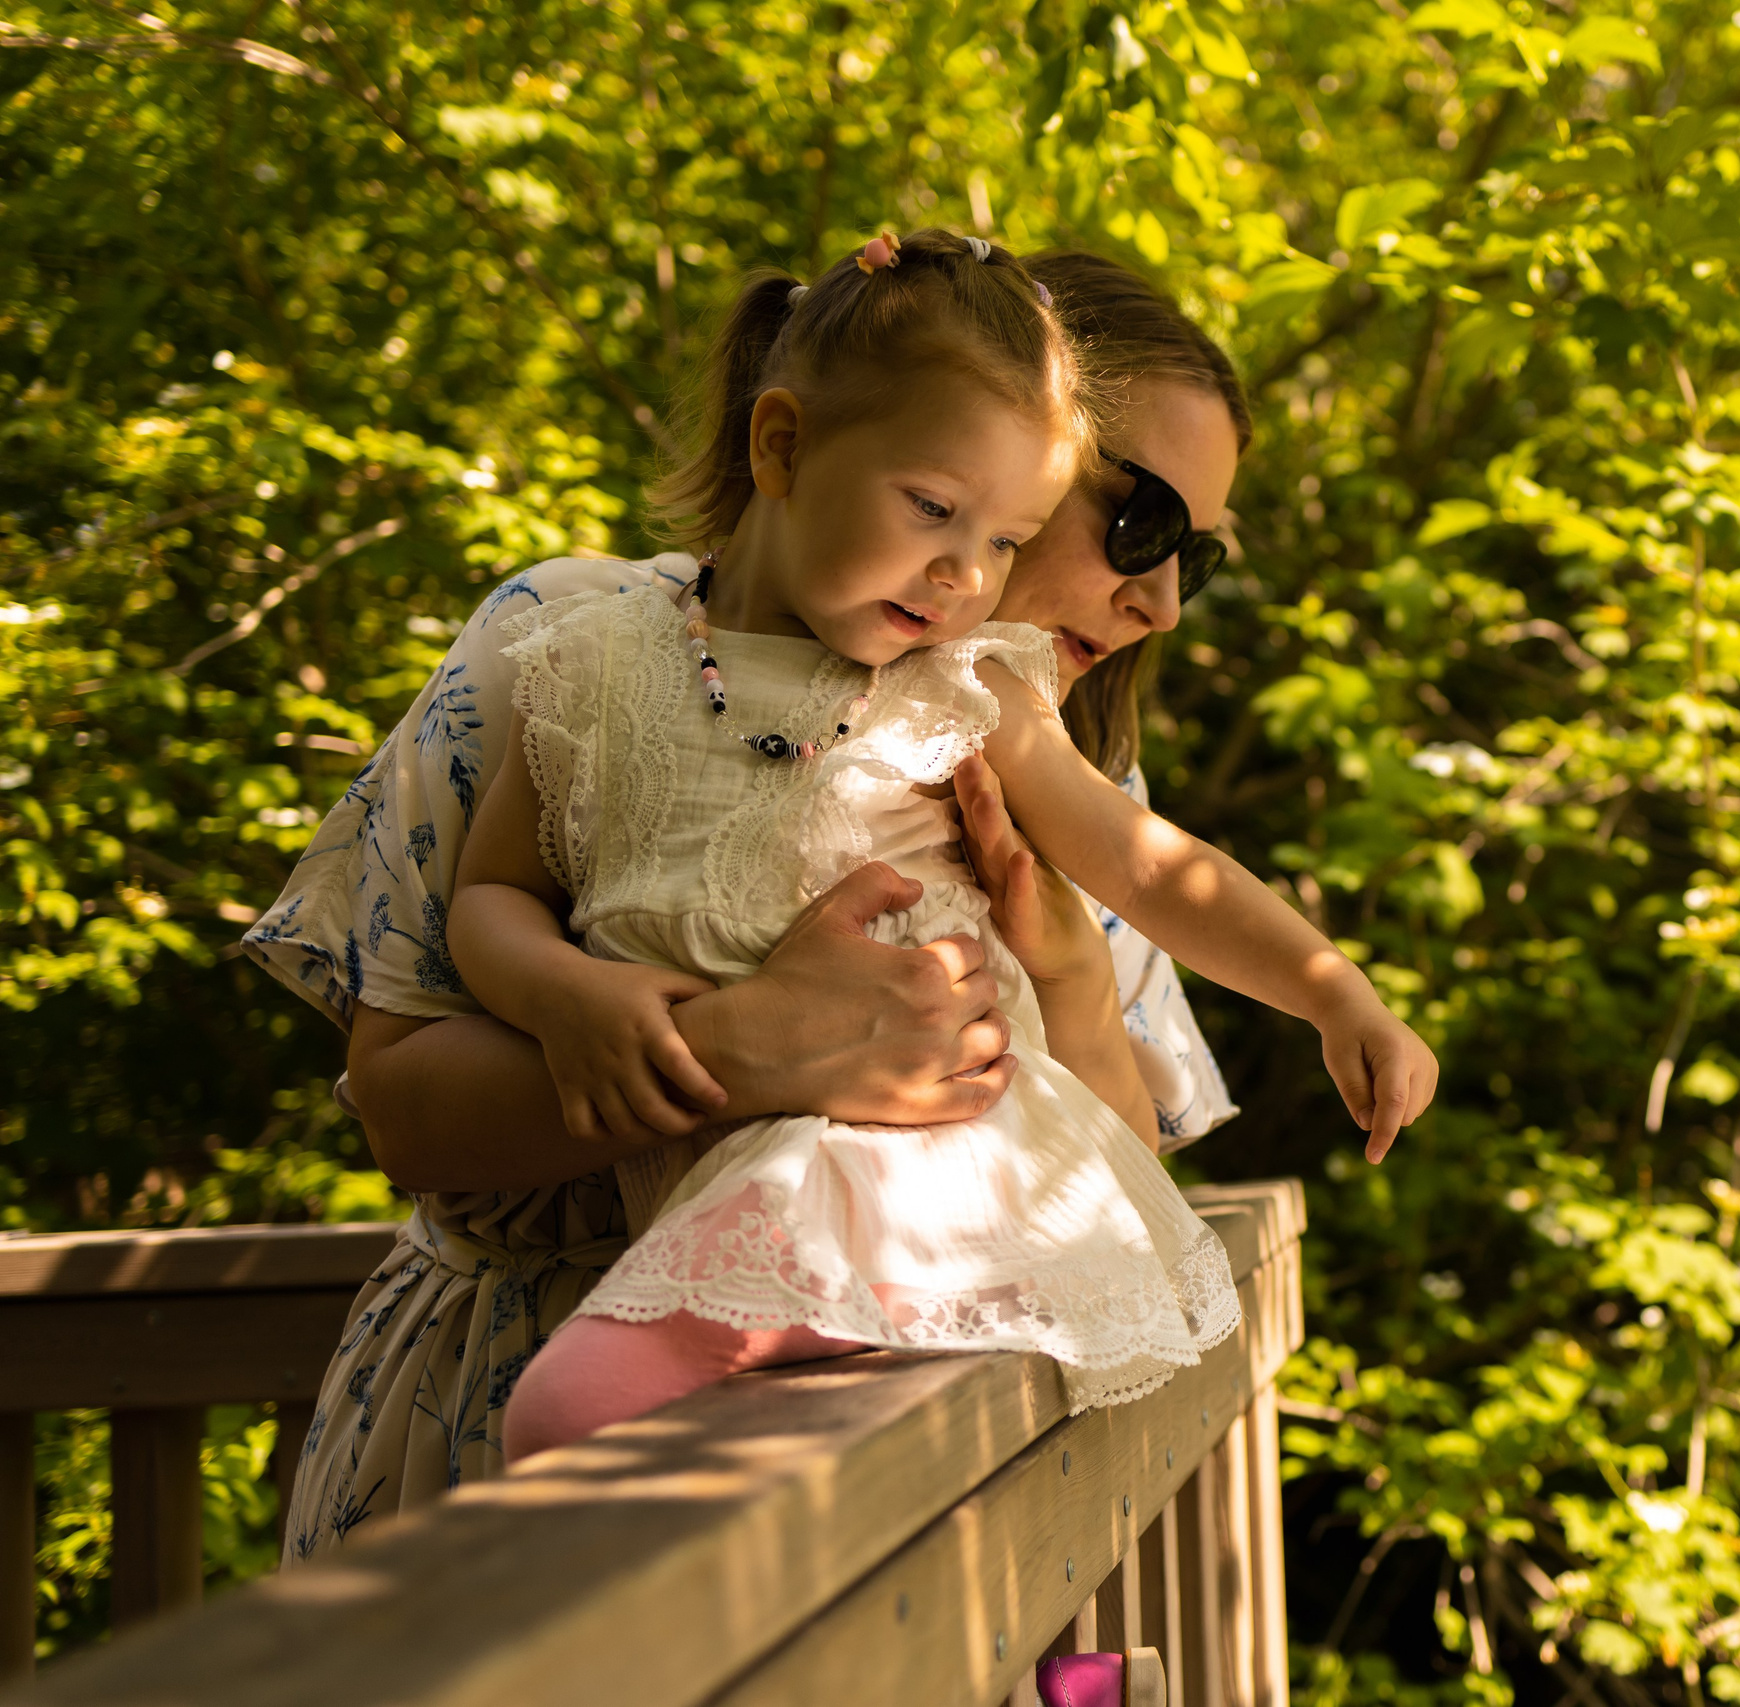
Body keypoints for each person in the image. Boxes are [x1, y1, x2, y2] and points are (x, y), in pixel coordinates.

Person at [241, 245, 1270, 1559]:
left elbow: (1121, 1196)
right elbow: (402, 1104)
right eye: (1137, 520)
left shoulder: (1065, 781)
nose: (1165, 597)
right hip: (505, 1449)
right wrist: (730, 1050)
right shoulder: (577, 644)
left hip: (872, 1516)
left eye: (1201, 557)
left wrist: (1064, 965)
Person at [462, 229, 1435, 1451]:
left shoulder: (968, 690)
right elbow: (487, 899)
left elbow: (1152, 867)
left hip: (904, 1173)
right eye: (935, 509)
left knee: (569, 1415)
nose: (964, 574)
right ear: (782, 444)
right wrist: (565, 998)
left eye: (1006, 542)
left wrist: (1333, 992)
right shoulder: (590, 665)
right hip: (722, 1199)